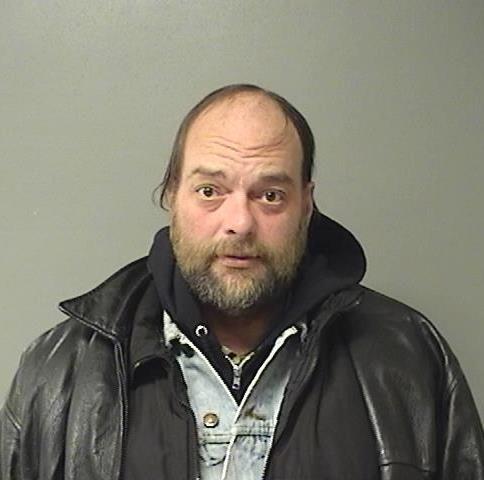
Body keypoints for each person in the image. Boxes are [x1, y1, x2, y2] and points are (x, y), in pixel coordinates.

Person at [1, 84, 483, 480]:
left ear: (307, 204)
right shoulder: (59, 369)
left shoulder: (409, 357)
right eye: (210, 190)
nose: (239, 223)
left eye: (270, 195)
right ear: (171, 195)